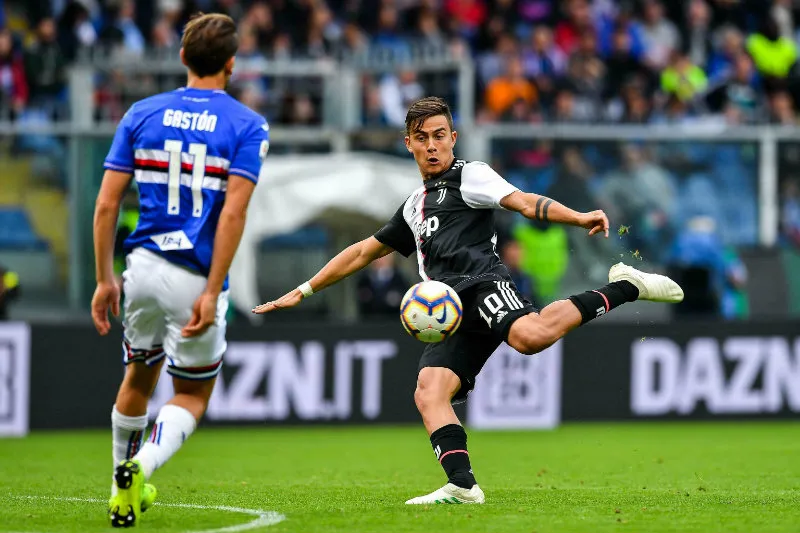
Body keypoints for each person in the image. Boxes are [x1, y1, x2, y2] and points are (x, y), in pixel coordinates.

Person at [252, 96, 683, 505]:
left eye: (440, 135)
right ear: (409, 144)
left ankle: (626, 285)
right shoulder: (413, 206)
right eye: (422, 138)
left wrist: (577, 216)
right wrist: (304, 289)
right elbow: (365, 251)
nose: (432, 145)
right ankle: (462, 486)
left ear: (453, 138)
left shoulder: (469, 175)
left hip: (482, 285)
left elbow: (524, 202)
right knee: (429, 390)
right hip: (449, 311)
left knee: (530, 338)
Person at [91, 13, 269, 527]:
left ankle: (118, 487)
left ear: (182, 57)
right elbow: (233, 213)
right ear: (231, 64)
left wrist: (106, 279)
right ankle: (140, 468)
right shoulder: (246, 125)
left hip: (141, 266)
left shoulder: (141, 113)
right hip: (194, 274)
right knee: (190, 392)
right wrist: (212, 290)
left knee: (138, 377)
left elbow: (106, 206)